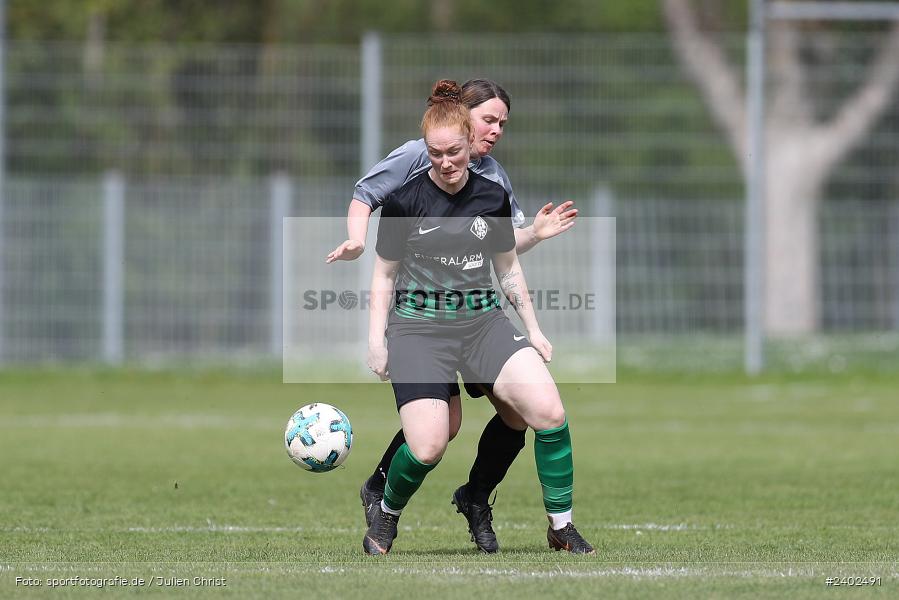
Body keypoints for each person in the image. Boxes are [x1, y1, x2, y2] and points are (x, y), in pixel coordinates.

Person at [327, 79, 577, 553]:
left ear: (467, 142)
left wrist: (534, 329)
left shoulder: (493, 188)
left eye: (454, 152)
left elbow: (506, 261)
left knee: (543, 412)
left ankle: (556, 525)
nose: (445, 161)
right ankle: (385, 509)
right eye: (436, 153)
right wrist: (376, 341)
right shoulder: (405, 194)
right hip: (420, 329)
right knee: (431, 443)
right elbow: (382, 269)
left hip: (482, 324)